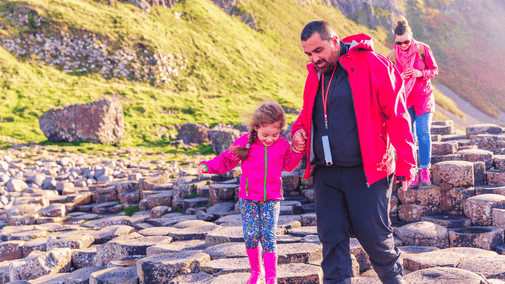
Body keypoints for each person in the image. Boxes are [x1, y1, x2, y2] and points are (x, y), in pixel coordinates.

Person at [290, 20, 416, 284]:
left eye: (318, 51)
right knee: (331, 242)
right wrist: (299, 132)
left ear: (335, 41)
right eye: (308, 54)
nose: (314, 59)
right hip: (326, 174)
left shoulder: (373, 64)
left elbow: (398, 116)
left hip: (367, 172)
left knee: (376, 240)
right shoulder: (315, 73)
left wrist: (407, 165)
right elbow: (306, 115)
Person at [198, 103, 303, 284]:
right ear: (256, 127)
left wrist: (297, 150)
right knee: (251, 235)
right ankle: (256, 271)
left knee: (268, 236)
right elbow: (226, 161)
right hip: (248, 199)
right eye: (265, 135)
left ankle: (271, 275)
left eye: (275, 135)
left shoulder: (282, 145)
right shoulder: (245, 142)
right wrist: (208, 166)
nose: (270, 139)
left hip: (271, 198)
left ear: (280, 130)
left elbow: (289, 165)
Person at [388, 17, 439, 187]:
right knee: (408, 137)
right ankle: (412, 171)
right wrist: (399, 78)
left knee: (423, 134)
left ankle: (425, 169)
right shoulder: (392, 55)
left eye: (406, 42)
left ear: (411, 36)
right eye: (399, 43)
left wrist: (420, 73)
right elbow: (389, 81)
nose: (403, 46)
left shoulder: (423, 49)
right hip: (406, 99)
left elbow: (434, 70)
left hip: (424, 97)